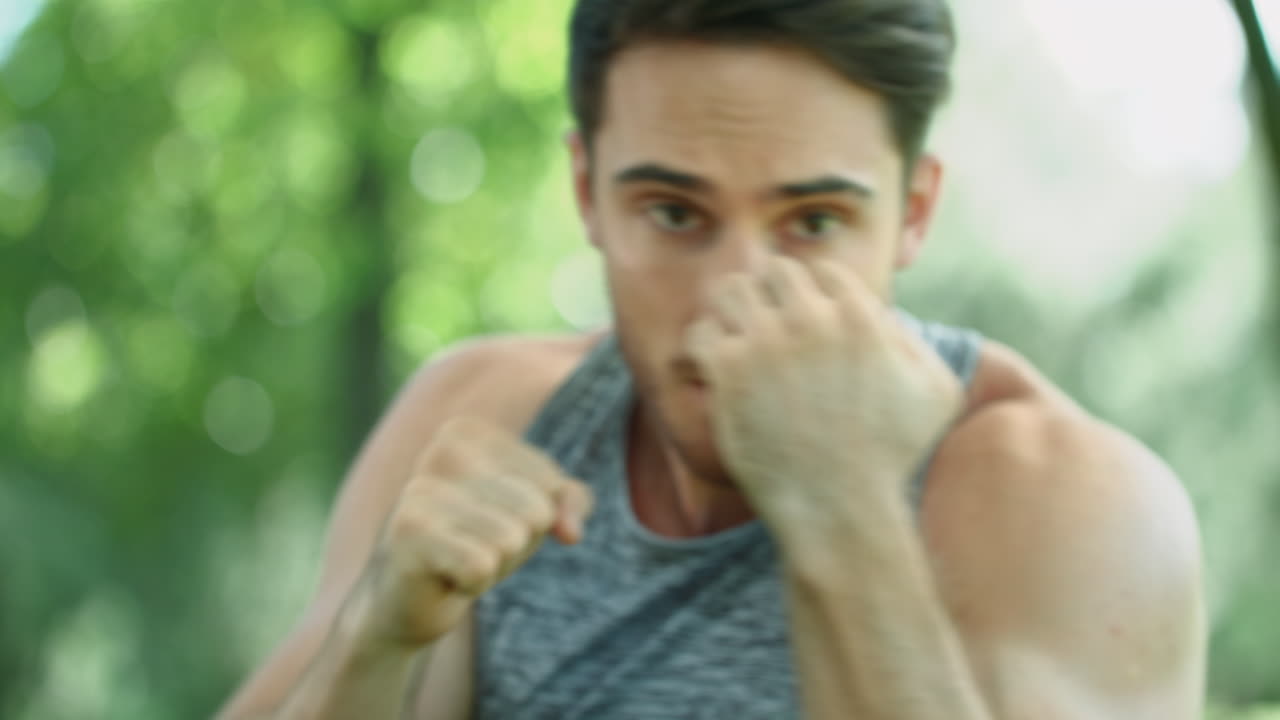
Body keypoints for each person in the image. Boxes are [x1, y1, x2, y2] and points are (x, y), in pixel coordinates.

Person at [218, 0, 1206, 717]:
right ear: (585, 190)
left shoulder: (1065, 501)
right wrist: (376, 644)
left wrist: (842, 508)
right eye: (675, 214)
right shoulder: (488, 418)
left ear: (910, 213)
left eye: (812, 222)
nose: (732, 301)